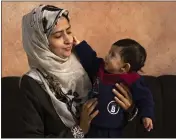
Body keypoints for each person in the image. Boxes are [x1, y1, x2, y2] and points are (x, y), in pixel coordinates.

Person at [19, 4, 138, 138]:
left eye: (69, 32)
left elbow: (114, 109)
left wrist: (130, 109)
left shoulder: (83, 61)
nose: (68, 40)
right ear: (40, 42)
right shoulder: (33, 83)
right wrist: (80, 130)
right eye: (58, 36)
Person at [73, 38, 154, 137]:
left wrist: (147, 115)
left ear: (124, 67)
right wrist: (79, 45)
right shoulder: (100, 68)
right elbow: (91, 59)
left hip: (113, 129)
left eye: (112, 55)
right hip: (92, 125)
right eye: (109, 52)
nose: (106, 56)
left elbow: (145, 98)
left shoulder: (133, 80)